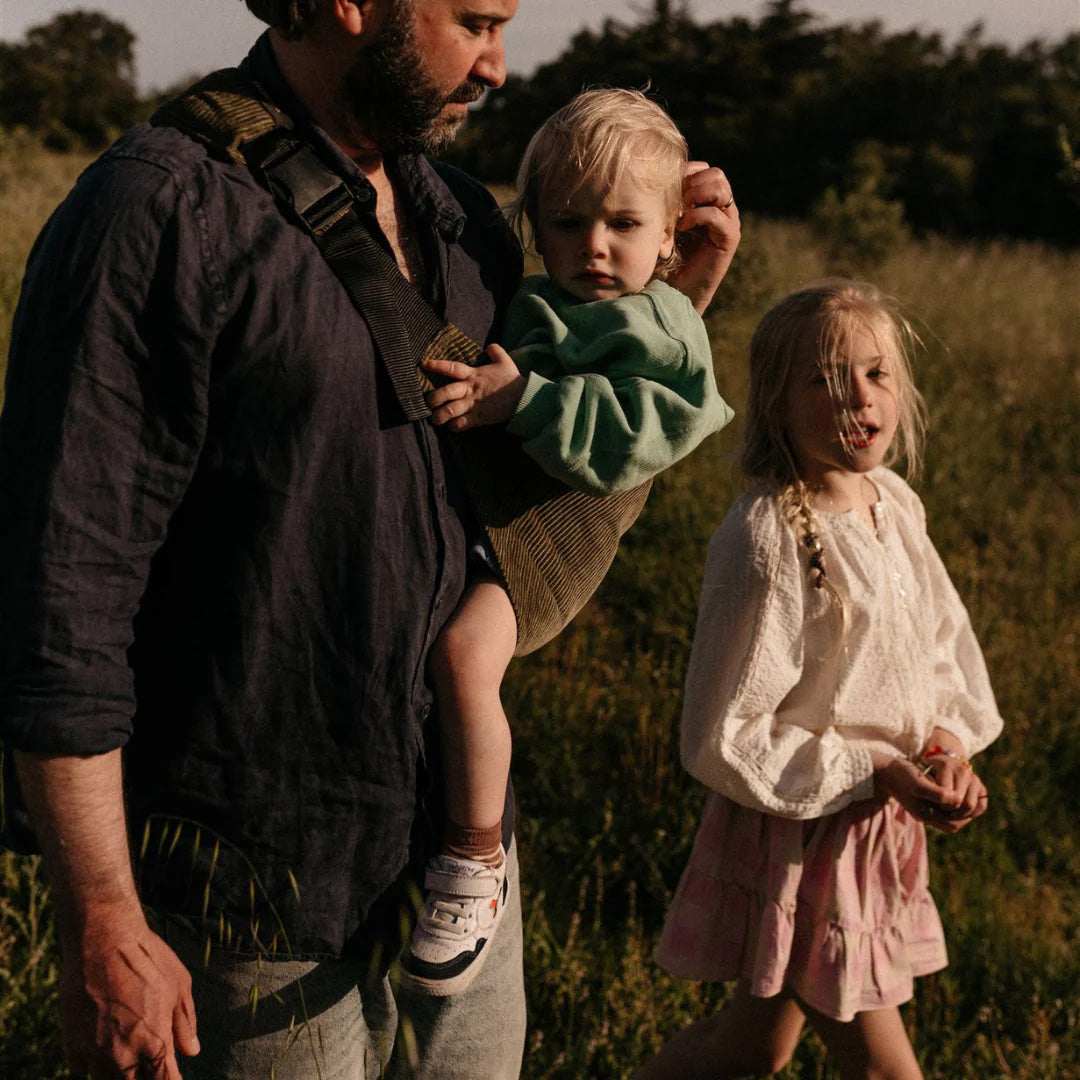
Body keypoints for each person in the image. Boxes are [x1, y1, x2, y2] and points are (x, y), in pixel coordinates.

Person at [0, 2, 740, 1078]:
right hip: (254, 891)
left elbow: (555, 489)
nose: (498, 65)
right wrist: (103, 918)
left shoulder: (461, 217)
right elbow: (62, 596)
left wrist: (668, 320)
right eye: (475, 20)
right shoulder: (155, 213)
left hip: (456, 859)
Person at [397, 88, 735, 997]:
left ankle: (473, 865)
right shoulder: (544, 296)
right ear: (535, 227)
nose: (595, 245)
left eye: (624, 224)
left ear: (670, 237)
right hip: (477, 517)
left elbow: (641, 435)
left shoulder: (664, 324)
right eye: (569, 220)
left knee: (467, 657)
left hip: (541, 541)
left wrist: (527, 402)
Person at [635, 280, 1003, 1080]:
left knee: (751, 1047)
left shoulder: (895, 505)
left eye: (875, 374)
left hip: (880, 828)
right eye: (826, 380)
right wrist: (873, 766)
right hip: (806, 832)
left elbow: (939, 645)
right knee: (882, 1069)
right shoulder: (766, 537)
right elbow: (724, 731)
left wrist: (945, 746)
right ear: (776, 401)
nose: (857, 398)